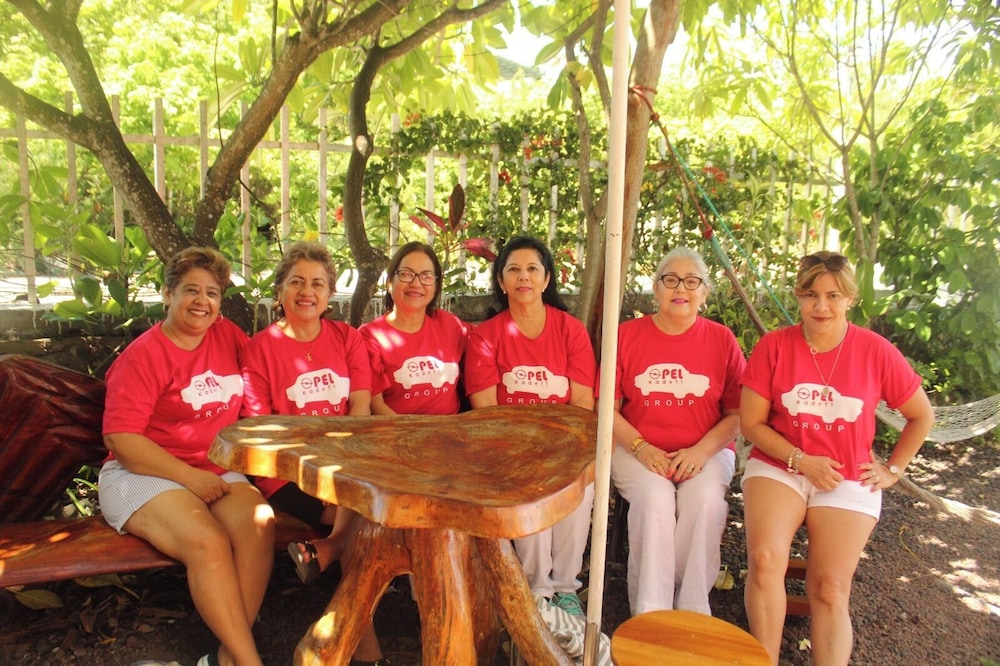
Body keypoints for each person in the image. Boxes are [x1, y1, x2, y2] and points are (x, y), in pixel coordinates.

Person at [740, 251, 934, 665]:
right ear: (798, 296)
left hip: (848, 476)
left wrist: (892, 470)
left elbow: (921, 415)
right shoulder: (775, 346)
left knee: (828, 586)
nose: (821, 306)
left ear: (850, 298)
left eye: (832, 295)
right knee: (765, 559)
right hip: (782, 465)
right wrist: (801, 459)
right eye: (810, 294)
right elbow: (752, 425)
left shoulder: (876, 351)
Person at [99, 247, 273, 666]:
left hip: (212, 468)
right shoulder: (143, 356)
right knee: (208, 543)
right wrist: (189, 478)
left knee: (261, 525)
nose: (202, 301)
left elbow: (266, 373)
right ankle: (250, 663)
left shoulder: (227, 336)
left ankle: (226, 661)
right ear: (167, 294)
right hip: (141, 473)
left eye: (212, 293)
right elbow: (122, 438)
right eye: (190, 290)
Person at [240, 241, 386, 666]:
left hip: (347, 464)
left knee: (361, 517)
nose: (308, 291)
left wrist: (339, 468)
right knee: (369, 523)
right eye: (297, 282)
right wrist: (319, 474)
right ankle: (367, 650)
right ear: (280, 290)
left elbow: (359, 407)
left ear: (329, 295)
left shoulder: (346, 338)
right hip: (288, 473)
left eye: (318, 284)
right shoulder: (260, 349)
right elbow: (263, 430)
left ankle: (332, 547)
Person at [605, 247, 745, 616]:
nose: (680, 288)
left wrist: (700, 453)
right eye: (670, 279)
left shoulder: (722, 340)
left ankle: (692, 607)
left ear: (704, 292)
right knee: (655, 500)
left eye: (691, 281)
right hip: (634, 446)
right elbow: (606, 407)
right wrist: (641, 447)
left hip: (707, 449)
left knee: (705, 502)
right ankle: (651, 612)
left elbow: (737, 414)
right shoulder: (625, 335)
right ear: (655, 288)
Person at [464, 235, 597, 616]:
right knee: (528, 491)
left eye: (532, 269)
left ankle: (567, 587)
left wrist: (555, 450)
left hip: (564, 444)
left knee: (580, 492)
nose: (524, 277)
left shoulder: (570, 330)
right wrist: (524, 452)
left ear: (546, 278)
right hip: (507, 447)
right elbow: (486, 409)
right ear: (501, 282)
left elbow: (582, 402)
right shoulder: (486, 335)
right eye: (514, 270)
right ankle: (537, 590)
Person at [359, 241, 471, 417]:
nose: (416, 283)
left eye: (426, 276)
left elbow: (490, 343)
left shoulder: (450, 325)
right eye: (406, 274)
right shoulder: (370, 336)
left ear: (435, 286)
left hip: (451, 434)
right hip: (397, 435)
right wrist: (410, 434)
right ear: (389, 283)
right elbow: (374, 403)